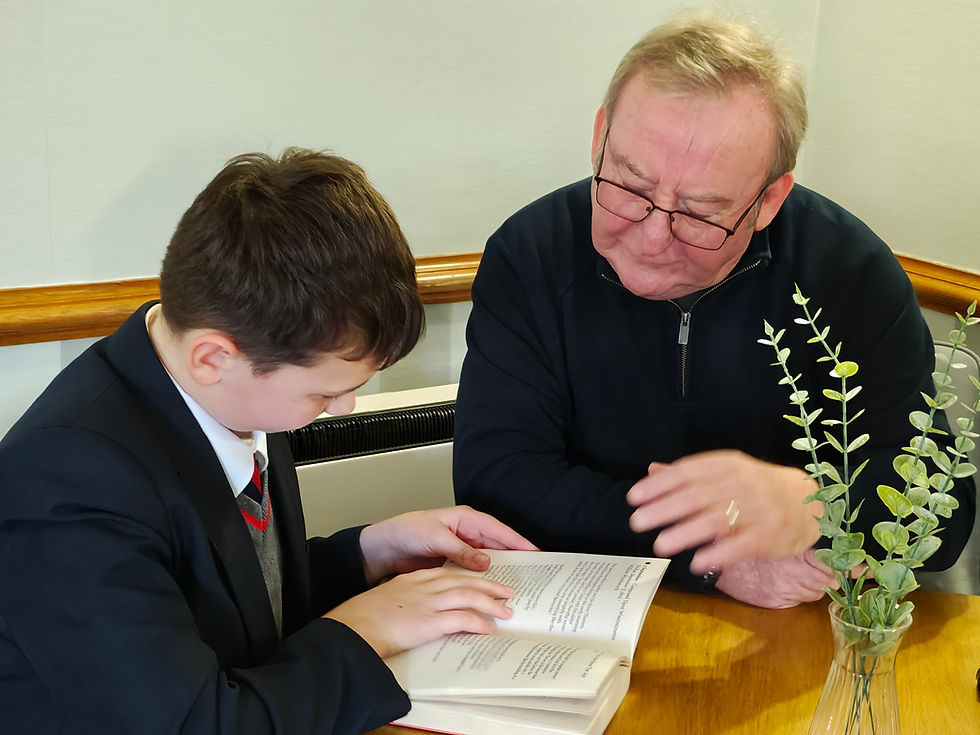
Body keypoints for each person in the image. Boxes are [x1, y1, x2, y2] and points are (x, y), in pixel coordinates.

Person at [0, 148, 536, 735]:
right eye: (323, 393)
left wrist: (370, 553)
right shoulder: (65, 483)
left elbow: (232, 604)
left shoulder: (235, 392)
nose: (344, 406)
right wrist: (368, 629)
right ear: (213, 357)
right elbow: (198, 724)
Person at [453, 13, 975, 609]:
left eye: (700, 214)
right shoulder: (529, 254)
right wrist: (708, 559)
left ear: (769, 200)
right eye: (629, 185)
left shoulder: (850, 270)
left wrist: (815, 503)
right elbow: (495, 481)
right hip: (589, 611)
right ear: (600, 138)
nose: (651, 239)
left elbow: (946, 509)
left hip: (797, 624)